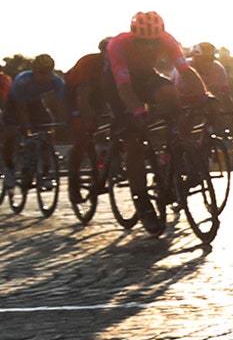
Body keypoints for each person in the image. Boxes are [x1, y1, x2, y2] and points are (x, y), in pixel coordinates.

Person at [104, 13, 208, 212]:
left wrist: (204, 97)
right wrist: (137, 111)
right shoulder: (118, 45)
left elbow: (186, 71)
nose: (150, 47)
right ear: (134, 37)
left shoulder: (168, 40)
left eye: (154, 42)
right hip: (117, 83)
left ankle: (171, 155)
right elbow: (125, 88)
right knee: (133, 143)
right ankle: (142, 200)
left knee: (169, 93)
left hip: (144, 75)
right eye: (144, 43)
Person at [2, 55, 66, 190]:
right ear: (34, 71)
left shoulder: (56, 81)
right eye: (40, 73)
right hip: (15, 105)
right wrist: (26, 126)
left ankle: (47, 166)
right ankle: (9, 169)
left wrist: (64, 121)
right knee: (11, 133)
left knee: (47, 126)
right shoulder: (23, 80)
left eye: (47, 73)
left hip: (35, 103)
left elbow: (61, 104)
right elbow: (21, 109)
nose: (43, 77)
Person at [63, 41, 110, 172]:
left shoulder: (120, 63)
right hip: (74, 90)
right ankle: (74, 174)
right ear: (103, 53)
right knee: (83, 129)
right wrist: (87, 116)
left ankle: (104, 154)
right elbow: (82, 95)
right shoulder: (89, 63)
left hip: (98, 90)